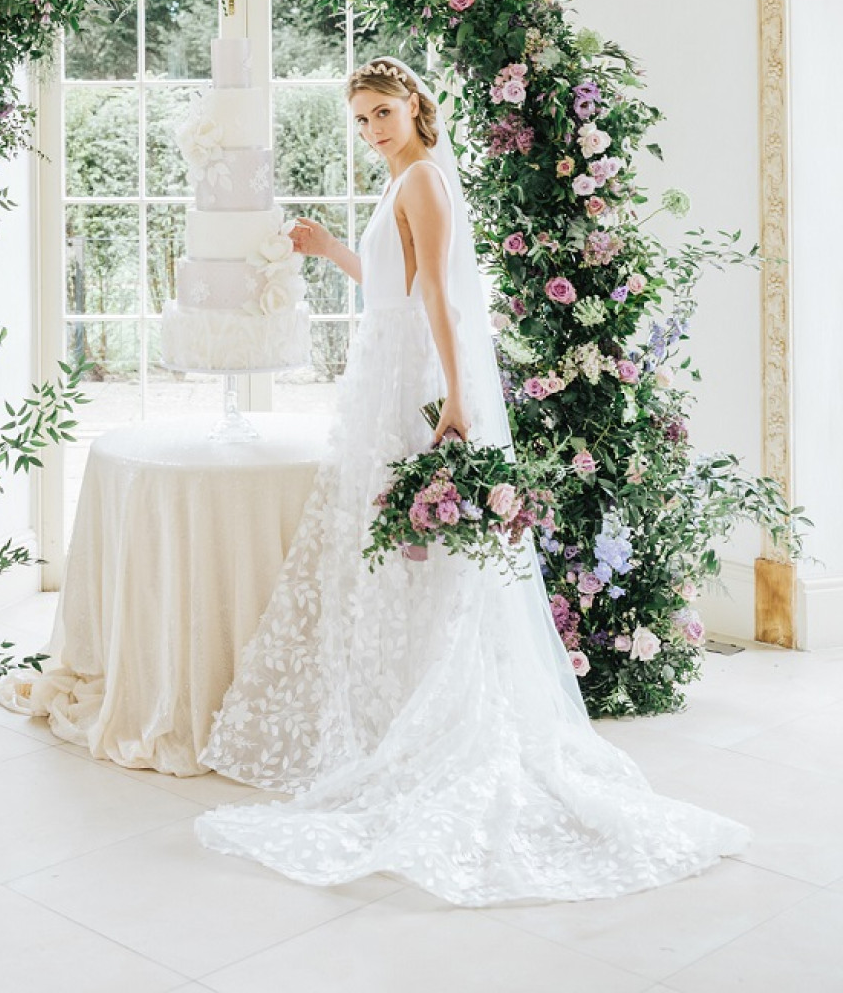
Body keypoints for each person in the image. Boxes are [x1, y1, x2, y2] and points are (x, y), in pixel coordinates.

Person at [194, 56, 749, 903]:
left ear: (416, 106)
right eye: (362, 120)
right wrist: (327, 246)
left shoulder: (422, 181)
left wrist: (454, 398)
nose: (373, 130)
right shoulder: (402, 182)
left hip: (416, 374)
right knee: (389, 549)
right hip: (388, 364)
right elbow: (393, 286)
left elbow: (445, 303)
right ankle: (397, 701)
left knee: (419, 552)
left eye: (383, 113)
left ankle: (432, 712)